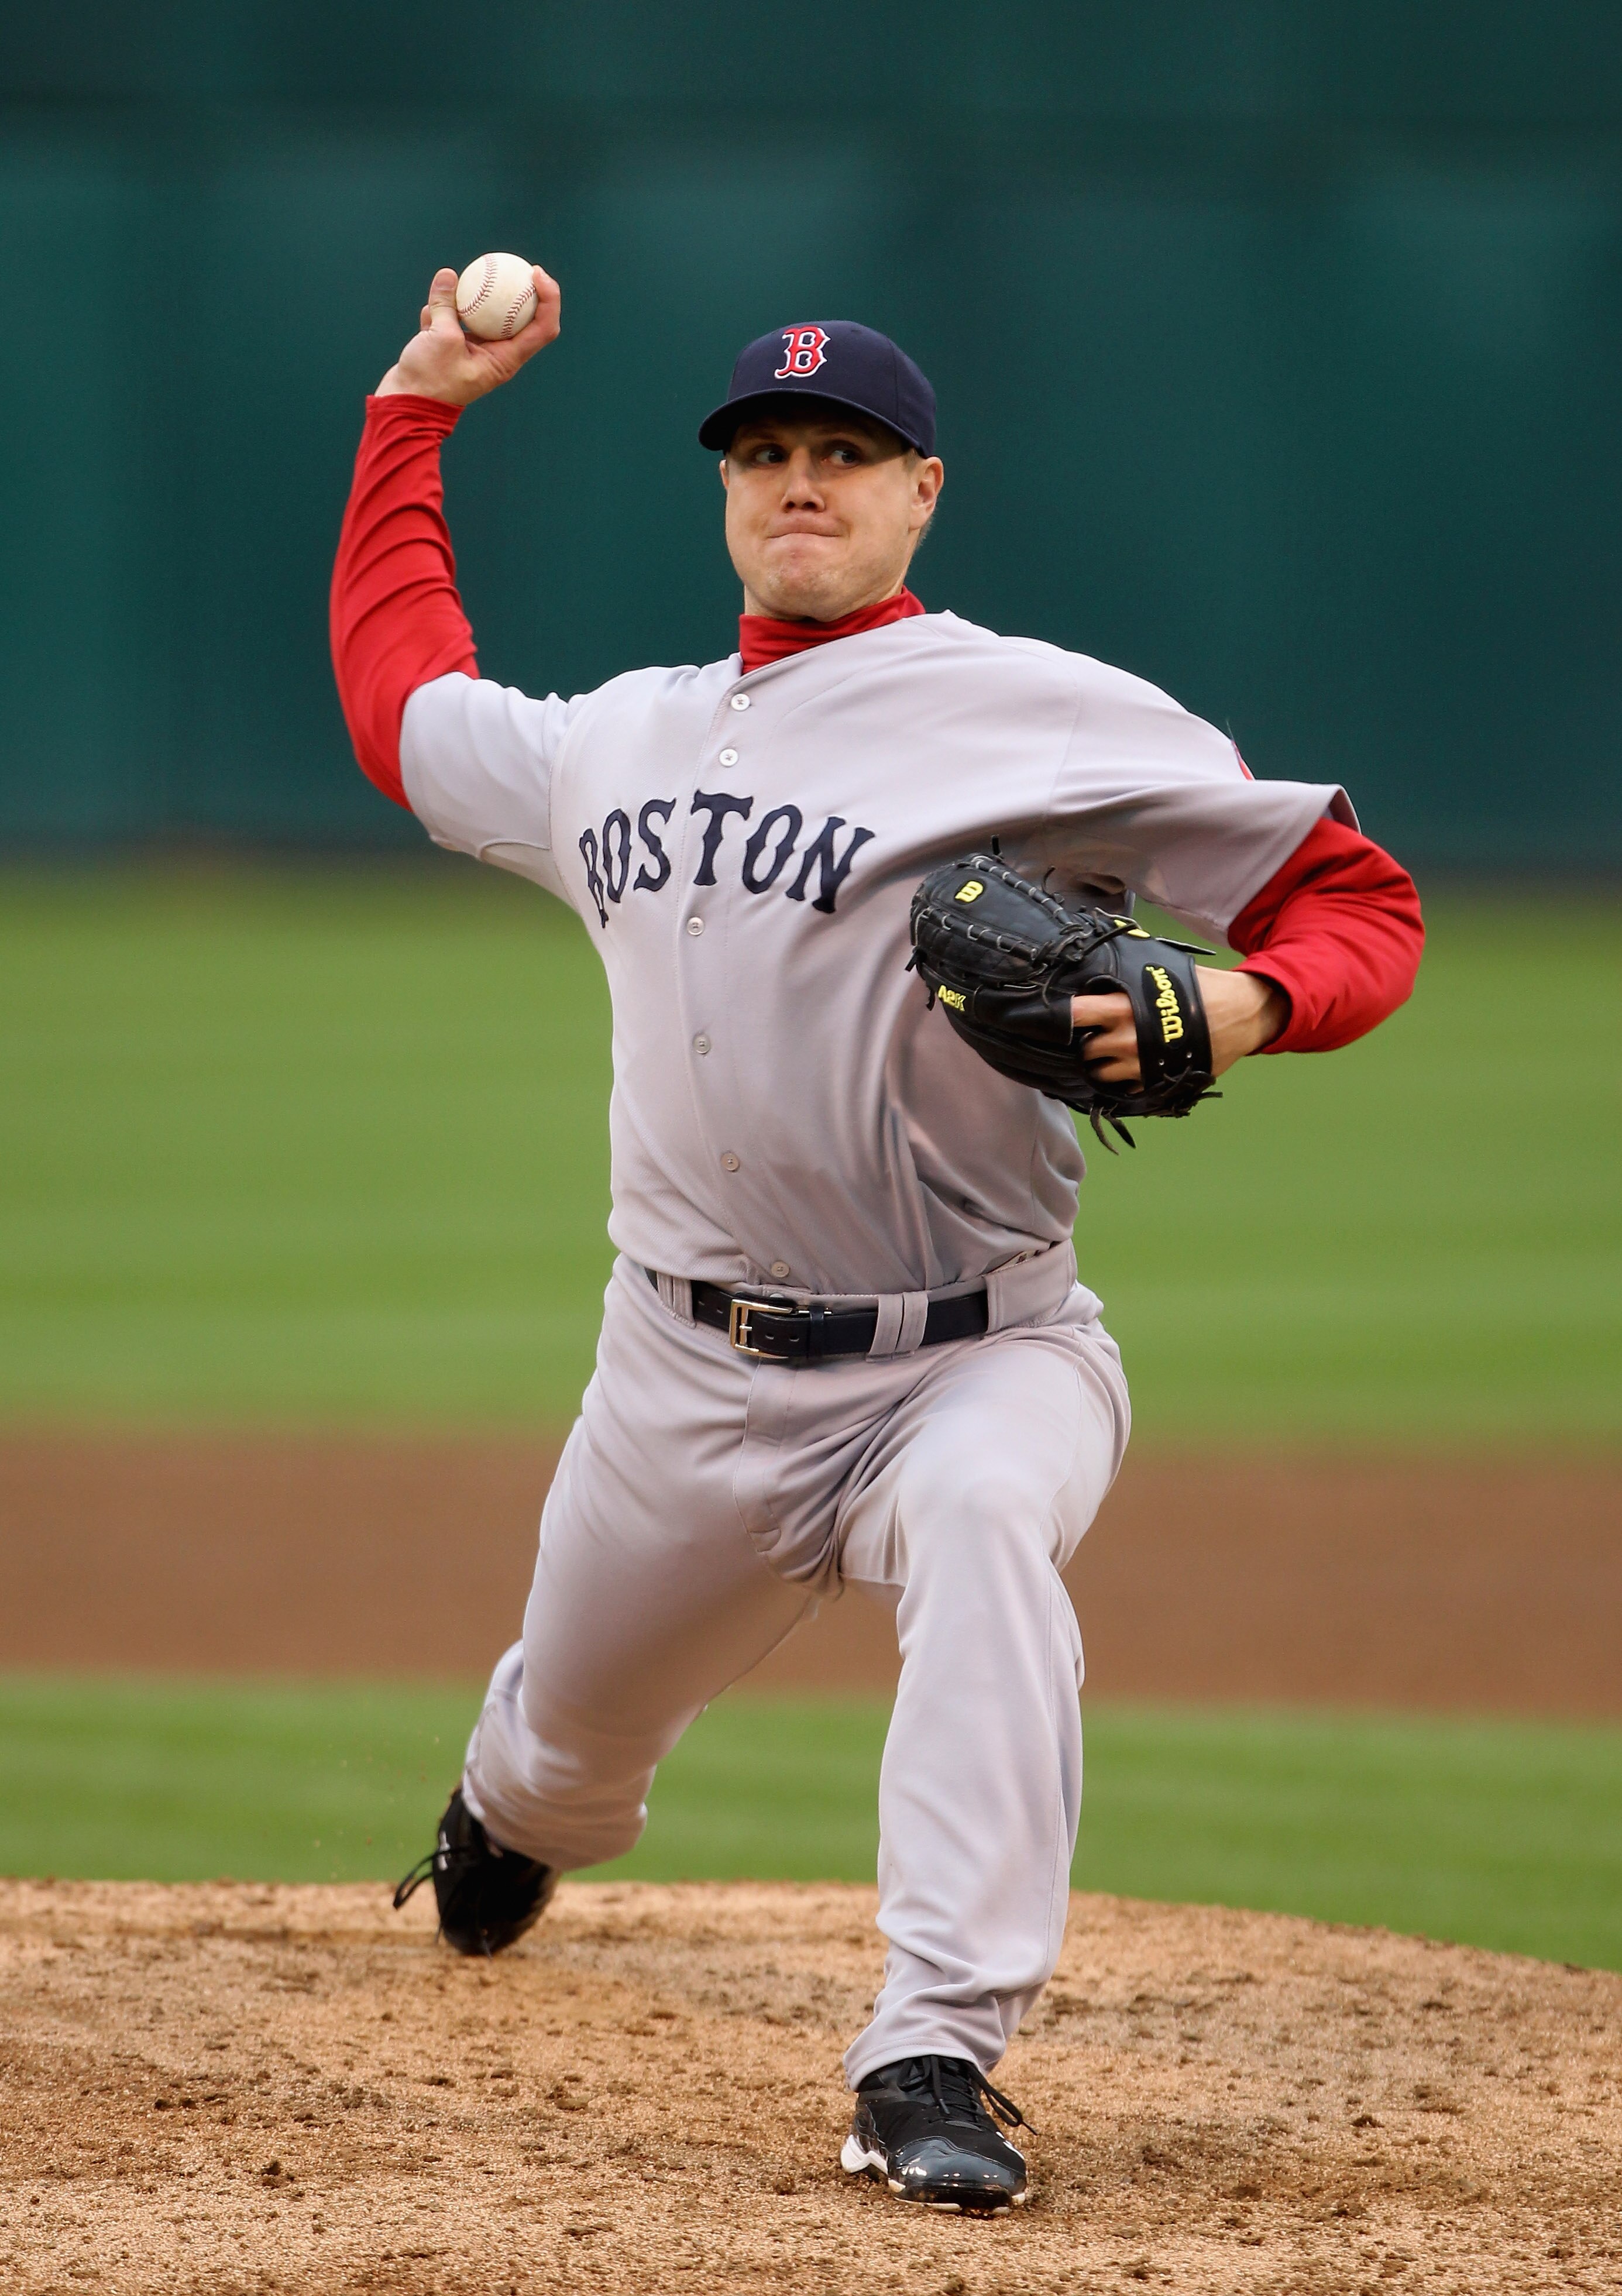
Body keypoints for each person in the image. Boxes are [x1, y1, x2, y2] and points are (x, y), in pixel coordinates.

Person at [331, 266, 1423, 2214]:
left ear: (923, 491)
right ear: (726, 496)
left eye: (844, 453)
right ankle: (507, 1805)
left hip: (977, 1352)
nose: (799, 481)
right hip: (680, 1379)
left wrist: (1243, 1005)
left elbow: (1354, 901)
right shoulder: (623, 742)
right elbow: (402, 706)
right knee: (569, 1756)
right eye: (763, 453)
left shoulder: (1045, 711)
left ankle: (933, 2048)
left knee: (992, 1525)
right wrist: (410, 419)